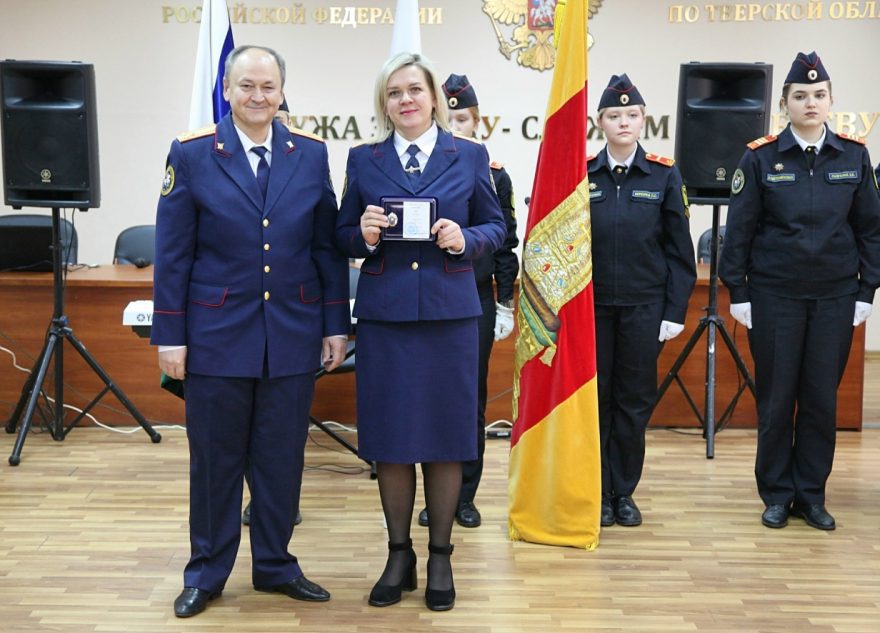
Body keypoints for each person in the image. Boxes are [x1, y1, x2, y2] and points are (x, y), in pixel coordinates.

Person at [152, 44, 350, 618]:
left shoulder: (309, 154)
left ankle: (275, 565)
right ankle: (206, 572)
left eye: (268, 87)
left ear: (282, 91)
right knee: (214, 462)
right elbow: (174, 253)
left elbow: (323, 248)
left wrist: (335, 322)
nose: (258, 96)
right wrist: (171, 336)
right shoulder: (190, 154)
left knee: (281, 459)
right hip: (215, 337)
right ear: (228, 89)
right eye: (247, 86)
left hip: (291, 333)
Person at [335, 52, 506, 611]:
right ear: (384, 104)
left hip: (450, 316)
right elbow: (340, 233)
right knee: (390, 439)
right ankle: (398, 552)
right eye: (394, 93)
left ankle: (439, 555)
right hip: (386, 319)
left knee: (445, 437)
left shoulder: (470, 156)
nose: (405, 100)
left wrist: (466, 238)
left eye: (414, 89)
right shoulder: (364, 159)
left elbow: (496, 227)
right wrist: (361, 234)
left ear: (434, 97)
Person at [719, 51, 880, 531]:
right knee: (775, 398)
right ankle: (776, 493)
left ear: (831, 101)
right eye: (800, 96)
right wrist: (739, 292)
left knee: (819, 401)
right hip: (775, 297)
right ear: (784, 103)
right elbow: (740, 230)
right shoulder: (761, 156)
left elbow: (870, 230)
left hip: (833, 298)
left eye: (819, 95)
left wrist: (866, 291)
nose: (811, 103)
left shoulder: (854, 155)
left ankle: (811, 495)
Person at [588, 74, 697, 528]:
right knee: (596, 401)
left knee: (632, 403)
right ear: (600, 123)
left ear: (643, 120)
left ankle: (623, 492)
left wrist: (674, 311)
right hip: (592, 310)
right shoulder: (583, 175)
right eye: (614, 115)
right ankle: (595, 491)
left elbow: (680, 252)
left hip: (643, 308)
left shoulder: (664, 174)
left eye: (631, 115)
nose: (624, 122)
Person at [416, 73, 519, 530]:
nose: (456, 127)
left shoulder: (493, 174)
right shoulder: (421, 169)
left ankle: (465, 496)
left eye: (464, 119)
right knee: (428, 399)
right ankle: (433, 494)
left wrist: (505, 302)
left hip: (474, 299)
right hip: (425, 298)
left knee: (469, 400)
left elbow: (504, 243)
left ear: (478, 123)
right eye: (449, 118)